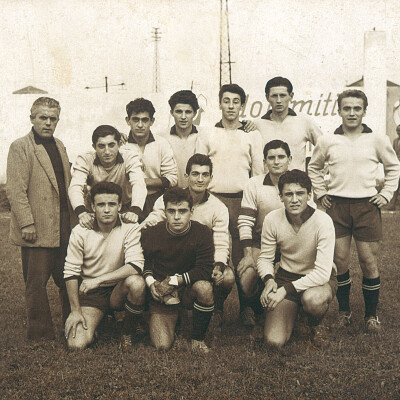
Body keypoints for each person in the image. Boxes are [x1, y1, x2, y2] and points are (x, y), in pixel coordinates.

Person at [308, 89, 400, 332]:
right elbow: (314, 168)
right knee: (340, 261)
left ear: (364, 111)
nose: (351, 113)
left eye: (356, 108)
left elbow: (394, 168)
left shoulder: (378, 140)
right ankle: (344, 311)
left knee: (368, 261)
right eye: (346, 108)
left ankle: (371, 316)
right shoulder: (327, 140)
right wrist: (321, 193)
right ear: (339, 111)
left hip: (366, 206)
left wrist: (386, 194)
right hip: (337, 206)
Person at [196, 83, 264, 327]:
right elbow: (199, 169)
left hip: (242, 202)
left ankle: (249, 308)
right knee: (215, 257)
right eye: (227, 101)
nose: (231, 106)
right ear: (220, 103)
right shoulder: (206, 134)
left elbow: (257, 175)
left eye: (236, 102)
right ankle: (215, 307)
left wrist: (252, 205)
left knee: (243, 259)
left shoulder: (252, 135)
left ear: (242, 105)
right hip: (214, 202)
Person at [142, 154, 234, 328]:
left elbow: (221, 240)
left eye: (205, 175)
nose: (200, 179)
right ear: (186, 176)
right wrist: (147, 224)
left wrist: (219, 265)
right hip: (174, 258)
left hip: (201, 261)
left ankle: (215, 307)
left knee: (227, 276)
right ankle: (158, 308)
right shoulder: (172, 198)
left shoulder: (219, 207)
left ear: (210, 178)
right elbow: (155, 217)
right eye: (195, 174)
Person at [6, 97, 72, 340]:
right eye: (43, 118)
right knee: (36, 284)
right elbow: (15, 189)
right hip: (37, 226)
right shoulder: (20, 146)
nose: (48, 123)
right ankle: (40, 334)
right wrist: (27, 223)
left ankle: (72, 327)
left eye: (53, 118)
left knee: (69, 277)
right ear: (32, 118)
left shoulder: (61, 145)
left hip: (64, 224)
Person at [257, 170, 337, 347]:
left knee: (313, 300)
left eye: (300, 193)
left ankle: (315, 324)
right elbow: (265, 258)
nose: (294, 199)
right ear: (281, 197)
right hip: (286, 277)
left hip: (317, 281)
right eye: (288, 194)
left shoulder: (323, 221)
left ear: (310, 195)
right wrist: (269, 280)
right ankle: (295, 315)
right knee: (273, 341)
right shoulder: (272, 219)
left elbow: (323, 273)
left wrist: (284, 290)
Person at [64, 181, 145, 350]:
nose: (107, 210)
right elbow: (70, 272)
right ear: (92, 206)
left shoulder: (130, 227)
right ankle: (99, 323)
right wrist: (75, 310)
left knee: (137, 283)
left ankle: (127, 332)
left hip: (118, 288)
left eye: (112, 204)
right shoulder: (80, 231)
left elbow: (135, 265)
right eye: (101, 205)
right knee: (76, 344)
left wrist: (99, 279)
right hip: (92, 293)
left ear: (120, 205)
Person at [141, 187, 215, 353]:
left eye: (182, 211)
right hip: (162, 295)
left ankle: (197, 338)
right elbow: (144, 263)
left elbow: (205, 269)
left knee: (204, 288)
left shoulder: (202, 232)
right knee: (162, 345)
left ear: (191, 211)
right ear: (164, 211)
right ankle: (156, 318)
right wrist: (151, 282)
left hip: (187, 290)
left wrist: (175, 281)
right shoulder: (153, 232)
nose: (176, 217)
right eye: (171, 211)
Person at [237, 140, 292, 325]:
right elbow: (245, 221)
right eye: (271, 157)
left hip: (292, 244)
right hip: (261, 243)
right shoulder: (254, 184)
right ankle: (250, 308)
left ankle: (298, 312)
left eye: (281, 157)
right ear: (264, 161)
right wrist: (248, 255)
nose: (276, 162)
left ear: (289, 159)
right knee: (247, 277)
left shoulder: (298, 182)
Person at [167, 90, 256, 188]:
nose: (183, 117)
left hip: (198, 194)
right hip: (172, 195)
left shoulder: (207, 134)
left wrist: (245, 125)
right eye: (179, 112)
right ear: (172, 113)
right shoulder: (162, 138)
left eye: (188, 112)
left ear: (195, 113)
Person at [68, 124, 146, 228]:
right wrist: (81, 213)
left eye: (111, 145)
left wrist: (135, 210)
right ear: (94, 147)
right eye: (101, 146)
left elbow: (139, 183)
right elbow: (75, 186)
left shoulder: (130, 157)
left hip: (125, 208)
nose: (107, 151)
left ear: (119, 144)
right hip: (96, 209)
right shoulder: (85, 159)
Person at [124, 98, 178, 218]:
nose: (140, 125)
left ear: (152, 121)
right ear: (128, 121)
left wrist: (142, 182)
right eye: (135, 120)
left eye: (145, 120)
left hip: (156, 201)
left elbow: (172, 178)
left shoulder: (162, 144)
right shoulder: (121, 145)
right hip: (128, 202)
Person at [255, 76, 322, 171]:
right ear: (267, 97)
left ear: (291, 96)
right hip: (266, 184)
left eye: (283, 95)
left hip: (296, 184)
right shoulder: (257, 124)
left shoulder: (305, 121)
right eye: (274, 96)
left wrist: (313, 174)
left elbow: (325, 148)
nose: (278, 101)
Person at [386, 125, 400, 210]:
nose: (399, 132)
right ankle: (392, 206)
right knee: (395, 185)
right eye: (397, 131)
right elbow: (393, 153)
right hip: (397, 166)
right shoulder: (395, 141)